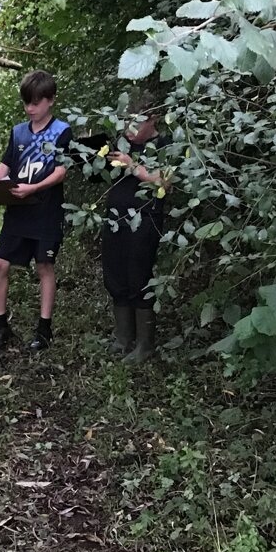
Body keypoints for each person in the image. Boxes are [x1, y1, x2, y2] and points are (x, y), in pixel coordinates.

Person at [0, 70, 71, 351]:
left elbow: (61, 172)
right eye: (26, 102)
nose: (30, 108)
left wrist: (33, 188)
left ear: (50, 101)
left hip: (46, 211)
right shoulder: (19, 132)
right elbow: (6, 164)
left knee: (44, 266)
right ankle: (1, 326)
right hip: (17, 209)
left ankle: (44, 330)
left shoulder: (62, 131)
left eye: (36, 102)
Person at [102, 104, 169, 363]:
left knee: (138, 276)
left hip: (145, 219)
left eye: (134, 123)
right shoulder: (122, 144)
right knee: (115, 274)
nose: (127, 129)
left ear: (152, 119)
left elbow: (164, 181)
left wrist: (133, 166)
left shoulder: (164, 144)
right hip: (115, 217)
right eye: (124, 122)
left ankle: (144, 345)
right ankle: (123, 338)